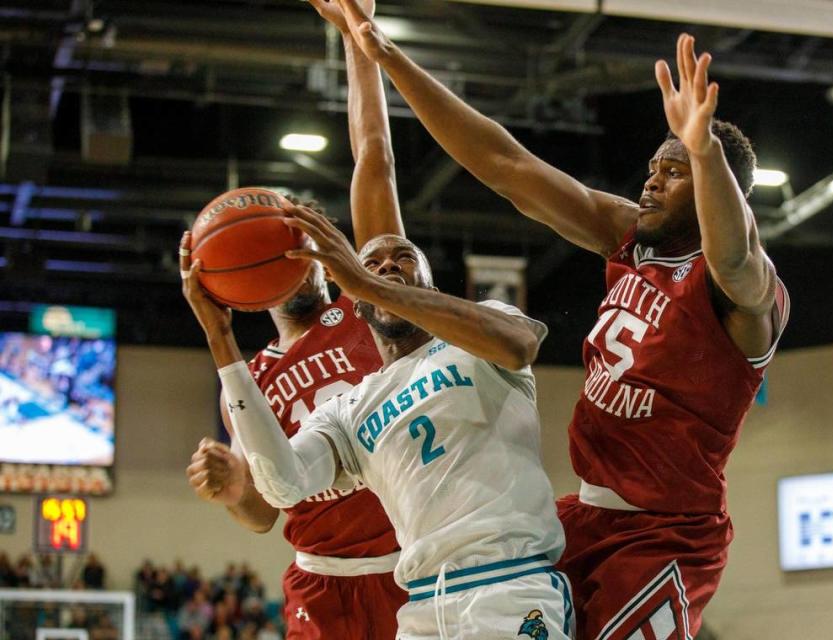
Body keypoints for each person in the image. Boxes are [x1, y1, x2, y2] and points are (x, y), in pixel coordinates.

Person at [333, 5, 789, 637]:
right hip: (581, 512)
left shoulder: (744, 289)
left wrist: (704, 149)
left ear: (722, 189)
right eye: (654, 168)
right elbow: (506, 166)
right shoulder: (630, 236)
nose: (653, 182)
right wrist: (385, 55)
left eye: (673, 171)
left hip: (666, 535)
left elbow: (735, 253)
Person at [183, 205, 574, 638]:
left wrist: (367, 281)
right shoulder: (351, 409)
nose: (387, 264)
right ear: (362, 309)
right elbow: (281, 487)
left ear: (432, 287)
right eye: (372, 263)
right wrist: (219, 337)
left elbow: (519, 345)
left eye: (404, 258)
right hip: (420, 603)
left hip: (508, 583)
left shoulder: (479, 338)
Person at [182, 1, 408, 637]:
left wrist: (356, 41)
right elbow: (261, 513)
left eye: (304, 245)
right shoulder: (244, 384)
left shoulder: (372, 307)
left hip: (413, 564)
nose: (295, 260)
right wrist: (231, 490)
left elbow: (374, 158)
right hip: (322, 578)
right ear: (247, 285)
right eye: (277, 252)